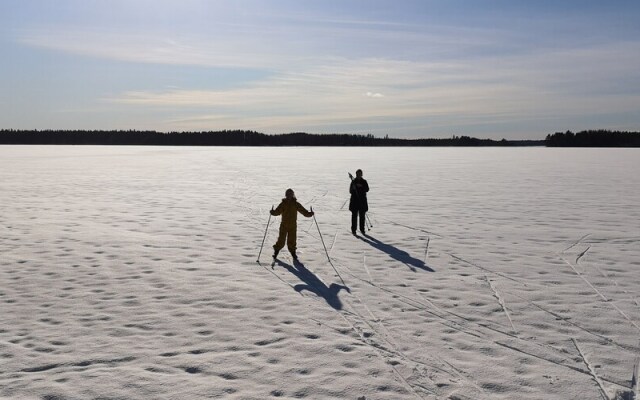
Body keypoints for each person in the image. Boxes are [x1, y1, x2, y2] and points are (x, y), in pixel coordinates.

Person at [271, 188, 314, 260]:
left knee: (292, 240)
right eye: (288, 194)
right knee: (281, 240)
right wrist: (273, 212)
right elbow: (277, 212)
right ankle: (276, 252)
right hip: (284, 225)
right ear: (286, 195)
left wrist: (310, 214)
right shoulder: (283, 204)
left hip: (293, 225)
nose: (289, 196)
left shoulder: (296, 204)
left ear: (293, 195)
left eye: (290, 194)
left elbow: (303, 211)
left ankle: (293, 253)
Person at [349, 169, 369, 235]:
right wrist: (353, 189)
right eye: (357, 174)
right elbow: (350, 191)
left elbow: (367, 189)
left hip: (362, 202)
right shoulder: (353, 182)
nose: (359, 175)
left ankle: (362, 229)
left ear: (361, 174)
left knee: (362, 217)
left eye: (360, 174)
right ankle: (353, 230)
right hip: (354, 201)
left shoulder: (364, 181)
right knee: (354, 216)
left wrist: (362, 187)